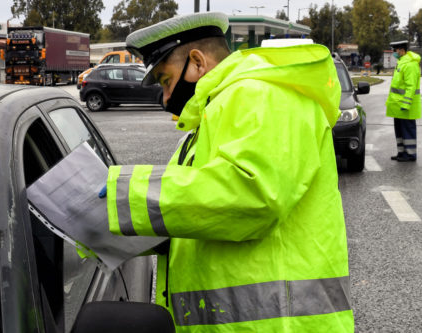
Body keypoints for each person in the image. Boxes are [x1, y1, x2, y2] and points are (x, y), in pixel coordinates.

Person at [100, 12, 353, 332]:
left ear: (196, 61)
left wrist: (126, 194)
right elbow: (196, 210)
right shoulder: (213, 116)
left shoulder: (264, 95)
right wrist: (102, 221)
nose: (165, 98)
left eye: (166, 81)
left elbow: (252, 197)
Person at [387, 40, 421, 162]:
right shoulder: (401, 62)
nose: (394, 53)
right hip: (398, 106)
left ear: (401, 50)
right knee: (400, 130)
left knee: (408, 130)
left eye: (395, 50)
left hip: (406, 106)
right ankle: (402, 152)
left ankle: (410, 154)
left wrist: (406, 104)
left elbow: (410, 87)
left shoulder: (410, 64)